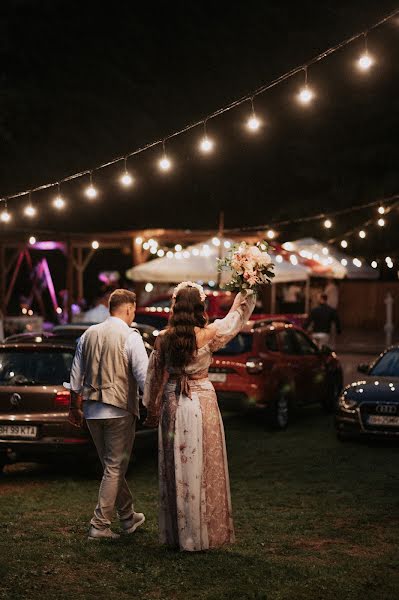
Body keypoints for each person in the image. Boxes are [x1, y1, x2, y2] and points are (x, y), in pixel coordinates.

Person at [142, 282, 256, 552]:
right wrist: (248, 291)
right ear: (199, 308)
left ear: (174, 306)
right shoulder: (211, 334)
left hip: (173, 401)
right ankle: (200, 534)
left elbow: (153, 377)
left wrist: (151, 408)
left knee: (176, 467)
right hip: (202, 400)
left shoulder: (163, 338)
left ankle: (178, 535)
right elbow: (235, 319)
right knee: (203, 467)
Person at [67, 289, 149, 540]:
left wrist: (74, 407)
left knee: (111, 467)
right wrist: (153, 405)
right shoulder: (130, 336)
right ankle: (99, 525)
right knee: (114, 467)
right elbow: (144, 376)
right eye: (133, 309)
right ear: (128, 309)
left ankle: (127, 516)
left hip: (92, 410)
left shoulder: (88, 334)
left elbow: (75, 377)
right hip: (119, 409)